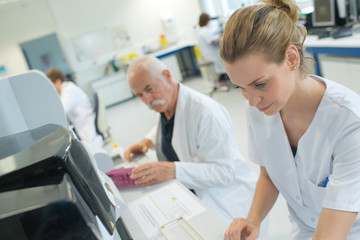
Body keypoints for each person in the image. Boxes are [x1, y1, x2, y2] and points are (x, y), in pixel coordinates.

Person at [220, 0, 360, 239]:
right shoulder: (258, 109)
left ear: (292, 59)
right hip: (305, 230)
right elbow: (269, 173)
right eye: (241, 88)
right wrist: (254, 220)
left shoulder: (349, 123)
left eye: (260, 84)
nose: (252, 100)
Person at [124, 55, 258, 224]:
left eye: (149, 89)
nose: (147, 100)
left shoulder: (205, 113)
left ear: (167, 76)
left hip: (229, 206)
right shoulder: (164, 105)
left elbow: (224, 173)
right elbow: (171, 126)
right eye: (139, 95)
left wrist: (173, 170)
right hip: (192, 198)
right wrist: (147, 142)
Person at [46, 68, 104, 148]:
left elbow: (61, 111)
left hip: (88, 128)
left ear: (58, 81)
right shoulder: (65, 91)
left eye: (51, 83)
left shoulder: (69, 90)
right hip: (83, 126)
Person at [197, 13, 229, 83]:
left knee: (224, 57)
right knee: (226, 58)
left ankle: (223, 77)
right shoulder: (204, 30)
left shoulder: (202, 30)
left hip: (209, 53)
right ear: (206, 20)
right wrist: (220, 37)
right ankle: (222, 78)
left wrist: (218, 37)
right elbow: (213, 42)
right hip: (211, 55)